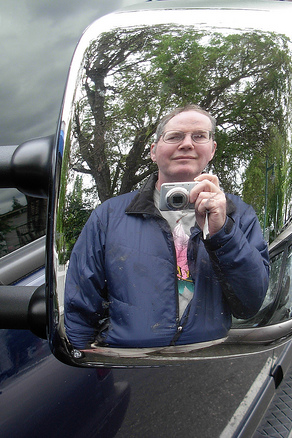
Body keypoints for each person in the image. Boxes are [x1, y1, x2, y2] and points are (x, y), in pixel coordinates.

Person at [64, 104, 269, 349]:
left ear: (212, 150)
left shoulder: (238, 215)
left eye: (199, 136)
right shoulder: (109, 216)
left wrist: (222, 233)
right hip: (127, 360)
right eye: (174, 136)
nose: (187, 144)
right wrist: (83, 359)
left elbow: (250, 305)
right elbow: (80, 307)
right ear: (153, 151)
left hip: (208, 359)